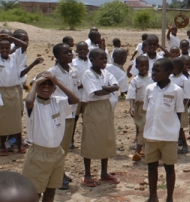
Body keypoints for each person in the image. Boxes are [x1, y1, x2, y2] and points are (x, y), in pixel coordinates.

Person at [21, 72, 79, 201]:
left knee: (51, 190)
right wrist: (35, 82)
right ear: (36, 87)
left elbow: (75, 99)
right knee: (34, 191)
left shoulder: (59, 102)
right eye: (42, 84)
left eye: (49, 84)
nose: (46, 87)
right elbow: (29, 100)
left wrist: (57, 82)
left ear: (54, 89)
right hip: (38, 155)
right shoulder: (33, 104)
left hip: (56, 153)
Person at [143, 58, 184, 202]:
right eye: (152, 70)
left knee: (169, 168)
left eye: (156, 70)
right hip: (151, 135)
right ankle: (152, 196)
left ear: (168, 72)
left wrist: (178, 134)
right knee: (151, 167)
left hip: (168, 136)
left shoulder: (176, 91)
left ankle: (169, 198)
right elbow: (147, 110)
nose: (153, 73)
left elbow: (178, 113)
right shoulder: (149, 89)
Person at [80, 48, 120, 187]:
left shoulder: (106, 72)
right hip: (93, 107)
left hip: (106, 107)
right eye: (101, 59)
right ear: (91, 60)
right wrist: (109, 89)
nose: (104, 61)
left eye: (105, 58)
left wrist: (107, 88)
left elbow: (116, 86)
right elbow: (96, 92)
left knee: (106, 137)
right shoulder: (87, 74)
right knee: (90, 137)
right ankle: (87, 173)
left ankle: (104, 172)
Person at [47, 43, 81, 190]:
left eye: (70, 51)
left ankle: (60, 173)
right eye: (65, 52)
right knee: (58, 146)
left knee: (65, 146)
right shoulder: (52, 73)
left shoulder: (74, 71)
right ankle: (57, 177)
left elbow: (77, 87)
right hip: (58, 114)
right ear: (57, 57)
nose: (70, 54)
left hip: (70, 113)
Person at [0, 33, 29, 156]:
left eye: (7, 48)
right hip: (1, 91)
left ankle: (18, 143)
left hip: (13, 91)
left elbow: (24, 45)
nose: (5, 50)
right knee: (2, 120)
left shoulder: (15, 58)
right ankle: (2, 145)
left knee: (17, 118)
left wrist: (10, 38)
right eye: (2, 48)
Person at [127, 56, 152, 162]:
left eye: (146, 65)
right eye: (141, 65)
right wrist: (131, 107)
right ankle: (142, 149)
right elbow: (132, 95)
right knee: (142, 127)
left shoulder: (152, 78)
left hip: (150, 106)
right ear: (136, 67)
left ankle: (139, 150)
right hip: (139, 107)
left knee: (145, 127)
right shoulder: (135, 81)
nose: (144, 67)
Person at [169, 57, 190, 154]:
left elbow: (187, 96)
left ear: (179, 68)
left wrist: (180, 107)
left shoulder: (184, 80)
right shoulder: (170, 78)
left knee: (180, 127)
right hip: (171, 106)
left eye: (174, 67)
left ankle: (185, 145)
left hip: (181, 107)